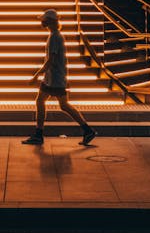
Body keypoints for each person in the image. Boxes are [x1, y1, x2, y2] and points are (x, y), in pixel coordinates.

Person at [22, 8, 97, 146]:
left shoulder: (54, 37)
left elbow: (51, 60)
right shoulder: (55, 35)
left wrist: (36, 76)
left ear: (48, 22)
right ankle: (87, 130)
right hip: (54, 77)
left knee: (57, 104)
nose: (41, 22)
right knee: (55, 103)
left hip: (54, 79)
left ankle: (40, 135)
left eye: (43, 20)